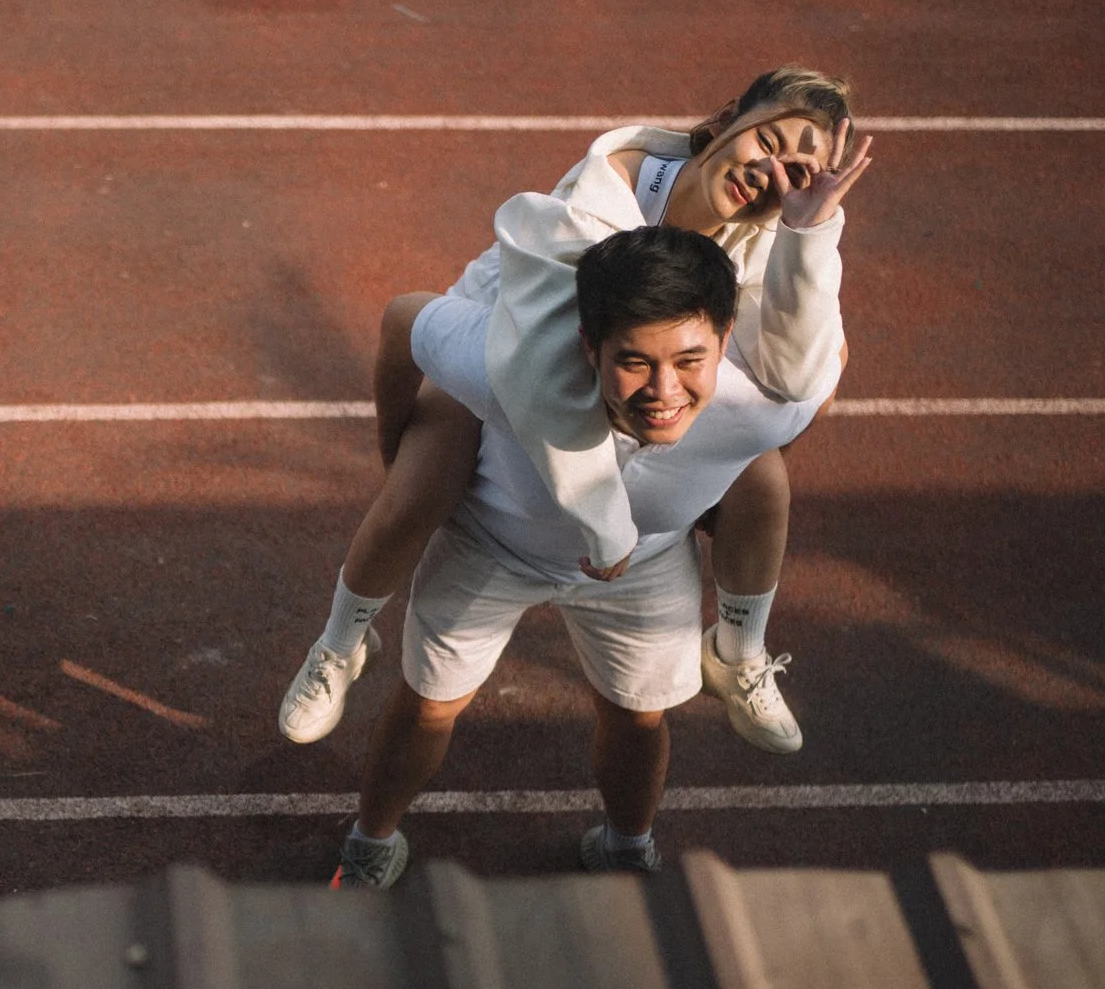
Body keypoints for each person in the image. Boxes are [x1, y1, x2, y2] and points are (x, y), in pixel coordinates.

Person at [279, 68, 863, 756]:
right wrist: (609, 527)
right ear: (729, 117)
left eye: (798, 171)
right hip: (513, 336)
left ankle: (736, 651)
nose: (773, 173)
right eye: (769, 140)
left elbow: (801, 376)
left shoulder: (773, 226)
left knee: (768, 461)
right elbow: (551, 389)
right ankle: (343, 642)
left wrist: (812, 228)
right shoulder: (596, 203)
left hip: (631, 356)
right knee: (423, 480)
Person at [327, 214, 850, 891]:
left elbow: (822, 371)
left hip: (649, 562)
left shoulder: (760, 407)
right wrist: (400, 455)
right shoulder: (502, 373)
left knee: (639, 717)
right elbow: (404, 321)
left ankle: (627, 844)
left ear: (725, 341)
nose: (664, 393)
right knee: (428, 703)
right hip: (492, 546)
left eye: (691, 361)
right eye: (634, 362)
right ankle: (370, 837)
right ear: (586, 346)